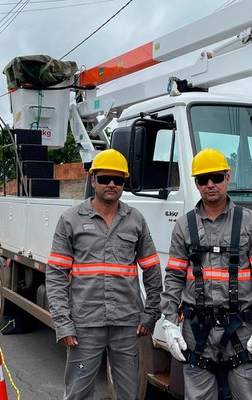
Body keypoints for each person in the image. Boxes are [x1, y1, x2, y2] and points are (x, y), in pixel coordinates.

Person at [161, 148, 252, 400]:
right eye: (203, 180)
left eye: (216, 177)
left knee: (247, 396)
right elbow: (173, 276)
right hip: (197, 329)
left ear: (228, 177)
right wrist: (170, 320)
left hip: (242, 327)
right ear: (196, 184)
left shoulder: (250, 222)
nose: (210, 184)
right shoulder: (185, 225)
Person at [46, 149, 163, 400]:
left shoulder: (135, 220)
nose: (112, 184)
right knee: (78, 392)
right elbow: (56, 275)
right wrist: (63, 323)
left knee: (128, 394)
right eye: (105, 178)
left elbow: (152, 269)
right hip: (84, 326)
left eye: (118, 180)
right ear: (93, 179)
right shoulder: (71, 220)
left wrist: (151, 314)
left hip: (127, 326)